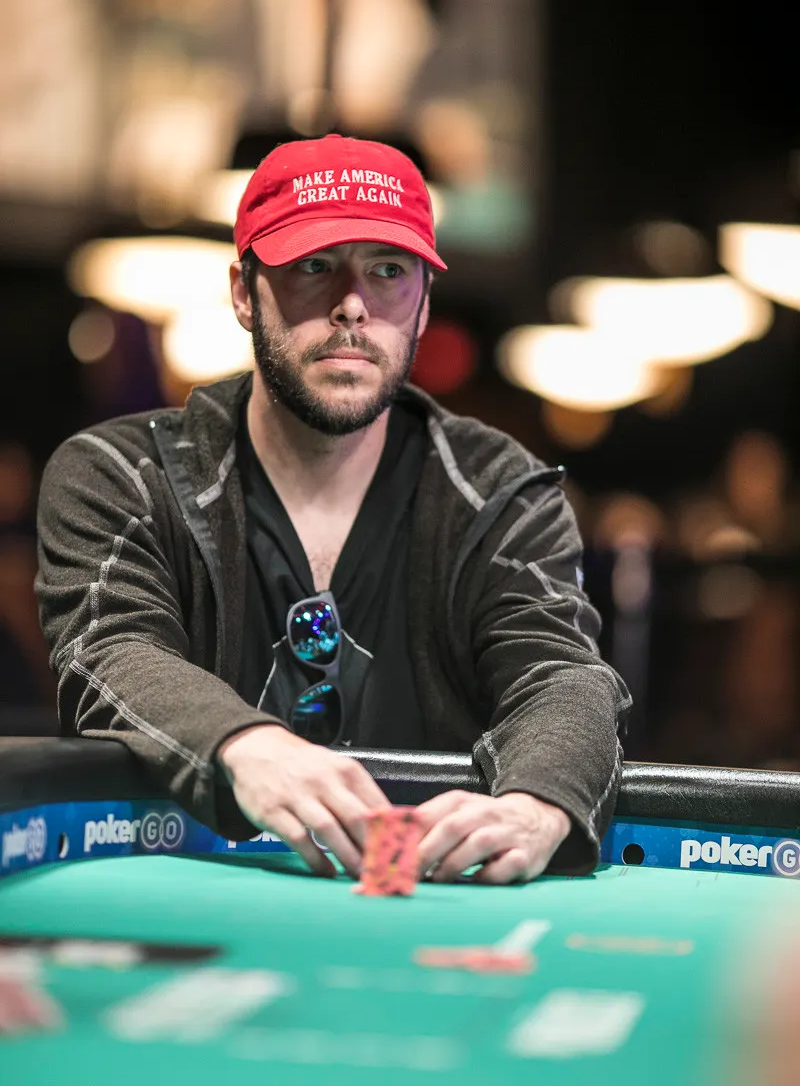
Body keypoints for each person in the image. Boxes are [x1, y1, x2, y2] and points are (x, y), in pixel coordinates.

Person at [35, 134, 630, 884]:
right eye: (314, 266)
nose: (353, 305)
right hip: (180, 887)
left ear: (423, 305)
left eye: (388, 271)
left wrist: (538, 802)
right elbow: (110, 653)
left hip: (426, 899)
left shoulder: (499, 493)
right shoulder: (120, 475)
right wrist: (244, 745)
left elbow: (560, 676)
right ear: (244, 292)